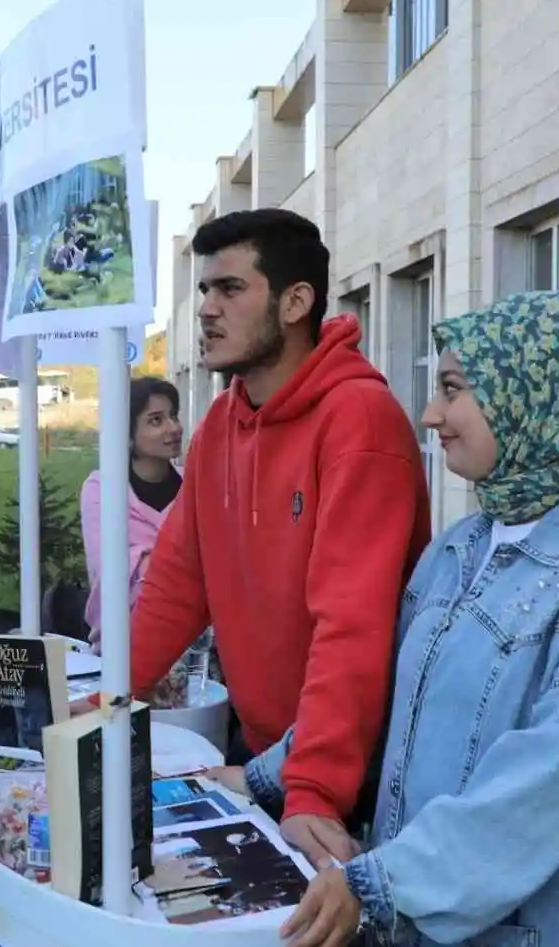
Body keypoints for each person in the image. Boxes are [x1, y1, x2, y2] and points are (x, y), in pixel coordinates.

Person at [279, 292, 559, 947]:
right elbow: (384, 697)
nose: (431, 415)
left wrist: (378, 885)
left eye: (454, 389)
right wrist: (272, 772)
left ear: (539, 394)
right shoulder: (465, 544)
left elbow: (546, 787)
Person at [128, 208, 431, 869]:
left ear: (296, 301)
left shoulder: (360, 421)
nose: (206, 308)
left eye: (230, 289)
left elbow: (354, 622)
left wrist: (315, 787)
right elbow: (179, 578)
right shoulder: (219, 423)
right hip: (268, 756)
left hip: (353, 773)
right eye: (204, 289)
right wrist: (112, 695)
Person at [78, 376, 183, 650]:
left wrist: (147, 560)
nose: (173, 428)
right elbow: (108, 571)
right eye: (156, 420)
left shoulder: (196, 485)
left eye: (173, 416)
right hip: (121, 648)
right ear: (127, 434)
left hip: (192, 650)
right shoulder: (102, 488)